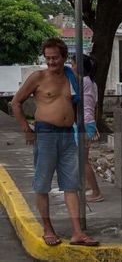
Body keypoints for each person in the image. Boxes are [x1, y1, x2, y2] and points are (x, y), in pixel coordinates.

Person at [11, 37, 99, 246]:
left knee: (71, 185)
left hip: (69, 135)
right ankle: (48, 228)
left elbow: (77, 106)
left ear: (63, 57)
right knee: (42, 184)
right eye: (48, 58)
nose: (51, 62)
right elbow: (16, 103)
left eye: (55, 58)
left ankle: (77, 233)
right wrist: (26, 129)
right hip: (46, 134)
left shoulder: (72, 78)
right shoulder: (38, 77)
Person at [81, 54, 103, 203]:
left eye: (74, 63)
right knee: (82, 158)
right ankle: (90, 187)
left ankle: (96, 192)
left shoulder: (83, 81)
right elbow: (95, 106)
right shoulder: (92, 82)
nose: (72, 66)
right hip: (89, 122)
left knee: (83, 160)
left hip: (84, 122)